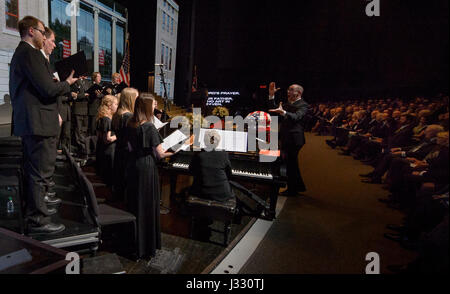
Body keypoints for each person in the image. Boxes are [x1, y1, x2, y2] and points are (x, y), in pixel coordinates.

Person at [9, 16, 78, 235]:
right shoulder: (29, 53)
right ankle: (37, 220)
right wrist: (67, 84)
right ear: (31, 31)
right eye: (41, 31)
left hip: (36, 122)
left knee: (37, 172)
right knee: (39, 173)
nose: (43, 35)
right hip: (37, 123)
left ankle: (36, 215)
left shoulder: (26, 54)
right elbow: (47, 90)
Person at [125, 93, 185, 259]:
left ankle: (135, 244)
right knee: (147, 206)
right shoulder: (149, 127)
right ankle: (146, 248)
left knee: (136, 205)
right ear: (146, 107)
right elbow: (159, 155)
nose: (155, 108)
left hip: (133, 166)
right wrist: (176, 150)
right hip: (146, 169)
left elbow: (129, 147)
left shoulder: (130, 123)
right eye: (153, 105)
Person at [268, 82, 309, 196]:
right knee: (291, 164)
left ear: (298, 93)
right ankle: (297, 187)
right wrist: (272, 96)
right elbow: (273, 109)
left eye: (291, 90)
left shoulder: (303, 105)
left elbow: (296, 117)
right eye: (288, 89)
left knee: (290, 164)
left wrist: (284, 112)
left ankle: (292, 190)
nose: (288, 91)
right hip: (287, 138)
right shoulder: (287, 104)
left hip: (295, 139)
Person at [189, 130, 234, 202]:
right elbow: (229, 175)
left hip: (202, 193)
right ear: (218, 142)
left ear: (204, 141)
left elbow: (191, 171)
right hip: (221, 194)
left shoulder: (198, 154)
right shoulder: (224, 154)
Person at [111, 87, 139, 201]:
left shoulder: (118, 113)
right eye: (136, 98)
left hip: (119, 151)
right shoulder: (128, 116)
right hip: (127, 154)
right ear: (131, 99)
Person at [95, 95, 119, 186]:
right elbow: (107, 139)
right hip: (108, 151)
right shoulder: (107, 120)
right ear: (109, 105)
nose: (117, 106)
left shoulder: (101, 117)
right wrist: (119, 135)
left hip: (102, 150)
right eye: (116, 104)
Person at [87, 72, 104, 136]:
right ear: (94, 78)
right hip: (93, 109)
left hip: (100, 109)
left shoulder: (101, 86)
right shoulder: (89, 85)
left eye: (100, 76)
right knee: (92, 127)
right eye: (98, 76)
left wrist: (101, 95)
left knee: (98, 126)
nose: (100, 78)